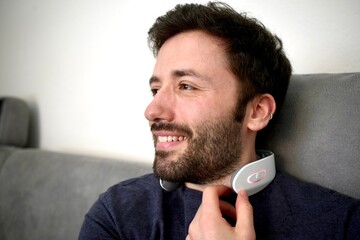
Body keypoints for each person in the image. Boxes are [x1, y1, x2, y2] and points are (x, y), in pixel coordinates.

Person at [79, 2, 360, 239]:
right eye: (155, 89)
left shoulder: (343, 224)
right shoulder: (116, 214)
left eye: (186, 86)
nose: (152, 110)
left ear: (257, 111)